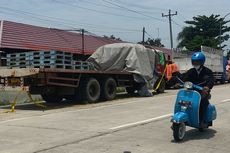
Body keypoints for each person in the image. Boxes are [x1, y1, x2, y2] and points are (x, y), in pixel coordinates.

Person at [179, 52, 214, 128]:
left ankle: (201, 121)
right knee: (182, 102)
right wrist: (177, 79)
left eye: (197, 61)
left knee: (202, 102)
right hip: (192, 91)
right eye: (194, 61)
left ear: (202, 62)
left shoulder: (208, 71)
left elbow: (211, 80)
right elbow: (184, 78)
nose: (195, 63)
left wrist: (207, 87)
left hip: (203, 92)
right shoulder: (191, 71)